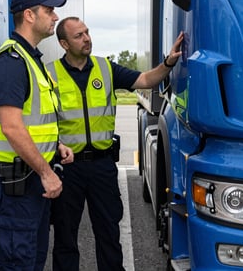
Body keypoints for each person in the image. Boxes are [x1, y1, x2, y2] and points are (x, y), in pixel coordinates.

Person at [46, 16, 183, 271]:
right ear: (64, 44)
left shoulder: (106, 68)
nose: (87, 38)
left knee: (109, 235)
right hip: (68, 168)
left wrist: (168, 62)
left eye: (87, 32)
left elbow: (145, 79)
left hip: (102, 166)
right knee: (65, 238)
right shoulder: (49, 74)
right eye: (79, 36)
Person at [0, 0, 74, 271]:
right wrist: (47, 173)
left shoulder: (31, 59)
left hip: (31, 180)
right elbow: (11, 128)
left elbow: (34, 120)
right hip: (20, 186)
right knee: (16, 263)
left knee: (32, 260)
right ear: (29, 16)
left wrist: (55, 145)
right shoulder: (11, 62)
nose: (55, 16)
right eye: (49, 11)